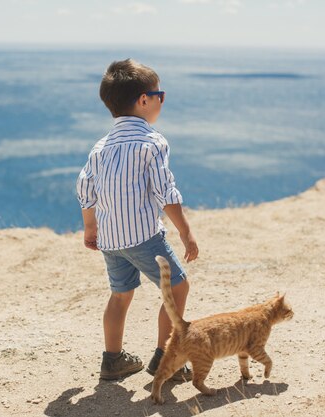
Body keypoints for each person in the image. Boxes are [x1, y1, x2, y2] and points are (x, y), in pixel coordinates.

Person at [76, 59, 198, 381]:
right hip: (143, 237)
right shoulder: (152, 143)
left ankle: (113, 361)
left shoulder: (99, 148)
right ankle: (165, 358)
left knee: (120, 295)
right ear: (144, 100)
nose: (162, 100)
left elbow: (85, 190)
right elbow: (165, 193)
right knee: (178, 286)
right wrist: (185, 232)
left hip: (111, 240)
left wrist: (91, 228)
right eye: (160, 94)